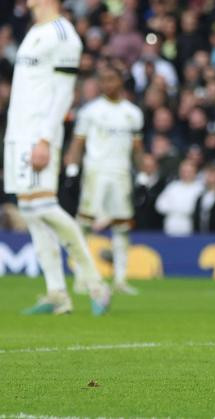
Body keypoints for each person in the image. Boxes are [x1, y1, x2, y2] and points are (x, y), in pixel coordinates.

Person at [4, 0, 111, 315]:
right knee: (32, 213)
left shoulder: (63, 35)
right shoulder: (36, 32)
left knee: (42, 206)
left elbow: (64, 94)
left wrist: (45, 140)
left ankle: (94, 282)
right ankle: (57, 294)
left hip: (38, 134)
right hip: (18, 135)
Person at [64, 61, 145, 295]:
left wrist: (143, 176)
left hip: (120, 174)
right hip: (95, 172)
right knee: (85, 224)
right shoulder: (90, 111)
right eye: (102, 79)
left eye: (110, 79)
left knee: (122, 227)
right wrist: (72, 170)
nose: (106, 84)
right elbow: (77, 143)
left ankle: (120, 279)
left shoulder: (133, 113)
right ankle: (81, 277)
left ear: (121, 81)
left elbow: (137, 149)